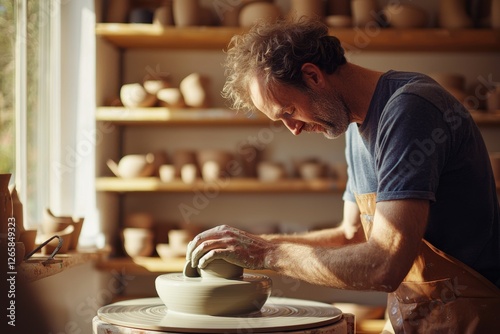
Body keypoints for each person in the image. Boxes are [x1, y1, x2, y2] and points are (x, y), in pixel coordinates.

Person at [185, 18, 500, 333]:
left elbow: (385, 265)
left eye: (288, 112)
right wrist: (250, 244)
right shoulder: (354, 127)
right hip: (416, 314)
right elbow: (353, 235)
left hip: (468, 316)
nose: (292, 129)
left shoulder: (410, 109)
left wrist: (267, 253)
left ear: (312, 75)